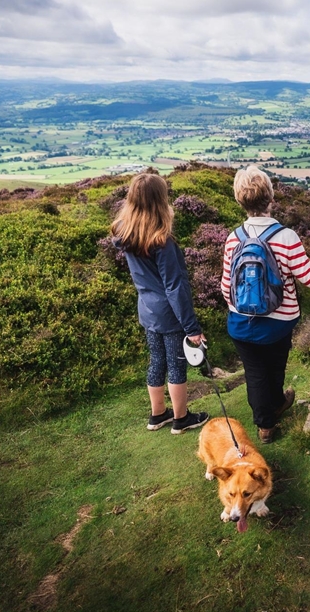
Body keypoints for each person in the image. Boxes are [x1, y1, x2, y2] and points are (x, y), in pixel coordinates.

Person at [221, 165, 310, 444]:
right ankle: (272, 411)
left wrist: (241, 309)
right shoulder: (286, 237)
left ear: (240, 201)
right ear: (270, 197)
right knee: (275, 368)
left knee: (254, 373)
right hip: (279, 323)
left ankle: (266, 422)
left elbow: (226, 286)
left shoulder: (233, 239)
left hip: (240, 323)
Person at [111, 172, 209, 434]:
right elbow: (175, 288)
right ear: (160, 201)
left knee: (156, 361)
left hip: (147, 311)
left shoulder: (126, 234)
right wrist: (192, 328)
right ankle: (180, 418)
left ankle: (157, 415)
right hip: (170, 315)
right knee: (176, 364)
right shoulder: (161, 241)